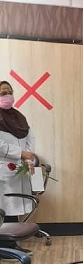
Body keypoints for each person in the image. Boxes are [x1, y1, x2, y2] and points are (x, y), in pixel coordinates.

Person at [0, 80, 38, 220]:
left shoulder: (19, 116)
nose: (7, 95)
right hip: (3, 169)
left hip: (20, 168)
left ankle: (12, 233)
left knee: (14, 209)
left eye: (10, 92)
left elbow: (30, 137)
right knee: (4, 208)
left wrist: (28, 158)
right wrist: (20, 153)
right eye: (3, 93)